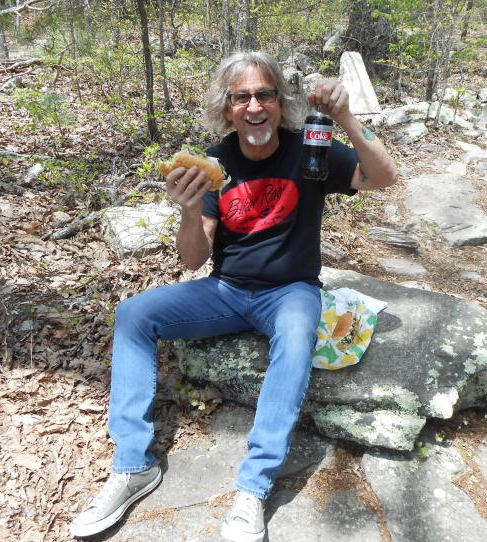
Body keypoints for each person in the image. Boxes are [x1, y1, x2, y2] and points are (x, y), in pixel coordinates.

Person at [69, 51, 397, 541]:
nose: (254, 107)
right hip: (227, 290)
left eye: (265, 94)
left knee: (296, 336)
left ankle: (253, 486)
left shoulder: (310, 146)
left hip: (291, 291)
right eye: (242, 97)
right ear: (227, 108)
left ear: (280, 102)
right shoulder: (214, 163)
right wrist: (187, 210)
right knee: (134, 315)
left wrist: (346, 116)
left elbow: (385, 177)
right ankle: (134, 466)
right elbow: (192, 260)